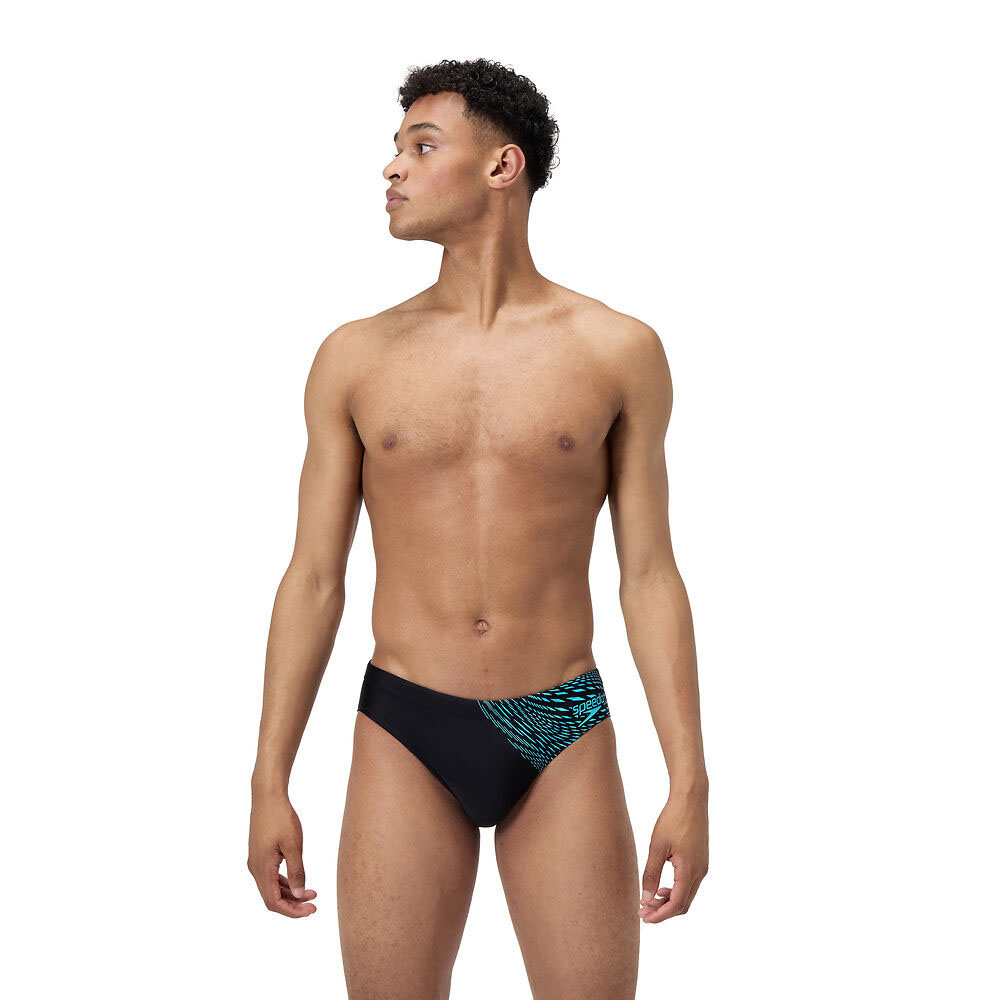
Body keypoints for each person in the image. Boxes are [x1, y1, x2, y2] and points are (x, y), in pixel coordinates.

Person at [247, 57, 709, 999]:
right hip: (407, 719)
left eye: (422, 147)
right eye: (395, 148)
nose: (392, 168)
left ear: (502, 167)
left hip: (558, 718)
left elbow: (650, 574)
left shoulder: (617, 350)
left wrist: (689, 778)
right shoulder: (354, 357)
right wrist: (269, 778)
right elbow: (314, 579)